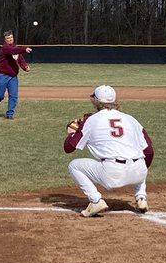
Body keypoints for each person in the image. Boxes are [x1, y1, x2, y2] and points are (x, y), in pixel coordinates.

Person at [63, 85, 153, 217]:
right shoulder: (131, 119)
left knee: (74, 166)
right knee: (138, 157)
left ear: (96, 101)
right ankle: (141, 197)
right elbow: (149, 151)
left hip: (112, 173)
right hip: (139, 173)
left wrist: (72, 133)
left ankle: (95, 200)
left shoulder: (91, 120)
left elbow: (68, 148)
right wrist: (142, 171)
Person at [0, 29, 31, 119]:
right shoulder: (5, 48)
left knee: (13, 96)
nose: (10, 39)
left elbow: (20, 59)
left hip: (13, 77)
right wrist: (24, 49)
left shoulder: (15, 48)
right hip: (2, 75)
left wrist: (25, 66)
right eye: (8, 38)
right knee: (0, 95)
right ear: (5, 40)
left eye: (11, 37)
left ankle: (9, 114)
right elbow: (13, 51)